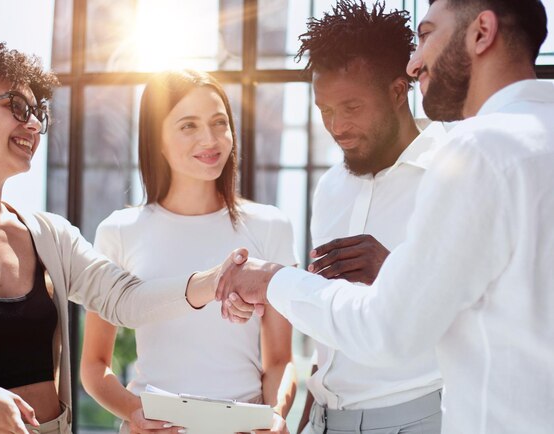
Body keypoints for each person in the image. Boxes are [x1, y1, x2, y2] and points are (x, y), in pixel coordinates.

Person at [216, 0, 554, 432]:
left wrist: (272, 280)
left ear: (481, 33)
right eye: (326, 111)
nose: (415, 62)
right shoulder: (331, 187)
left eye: (428, 33)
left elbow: (390, 328)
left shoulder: (471, 156)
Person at [0, 40, 222, 434]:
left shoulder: (50, 235)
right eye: (17, 107)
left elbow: (126, 300)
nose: (33, 125)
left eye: (37, 113)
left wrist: (216, 281)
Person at [80, 69, 297, 434]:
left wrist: (275, 415)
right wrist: (135, 412)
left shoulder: (270, 226)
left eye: (219, 122)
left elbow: (279, 361)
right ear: (157, 139)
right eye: (188, 126)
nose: (210, 139)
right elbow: (94, 363)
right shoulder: (119, 231)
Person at [285, 2, 447, 433]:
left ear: (398, 91)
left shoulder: (453, 176)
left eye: (351, 107)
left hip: (421, 417)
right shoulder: (330, 187)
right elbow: (329, 336)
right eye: (325, 110)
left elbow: (491, 309)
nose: (336, 127)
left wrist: (394, 271)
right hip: (324, 417)